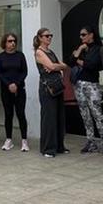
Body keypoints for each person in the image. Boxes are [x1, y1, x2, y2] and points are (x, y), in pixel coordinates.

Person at [72, 24, 103, 155]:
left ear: (91, 35)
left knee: (97, 114)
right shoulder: (82, 48)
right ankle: (91, 141)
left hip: (92, 84)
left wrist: (79, 60)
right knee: (85, 114)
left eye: (83, 34)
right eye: (80, 35)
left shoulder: (98, 49)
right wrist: (79, 52)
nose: (81, 37)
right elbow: (71, 60)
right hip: (79, 84)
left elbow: (92, 65)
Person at [34, 28, 68, 157]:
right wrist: (55, 66)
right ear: (40, 38)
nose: (49, 38)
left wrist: (56, 66)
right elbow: (54, 66)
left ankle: (59, 146)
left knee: (59, 116)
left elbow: (61, 66)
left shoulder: (50, 52)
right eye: (46, 36)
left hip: (57, 86)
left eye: (50, 35)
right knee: (49, 118)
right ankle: (48, 148)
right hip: (47, 88)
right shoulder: (39, 52)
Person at [0, 33, 29, 151]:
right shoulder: (0, 57)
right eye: (9, 41)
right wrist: (9, 84)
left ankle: (24, 140)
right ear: (5, 43)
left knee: (20, 114)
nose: (12, 43)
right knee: (8, 114)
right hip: (6, 89)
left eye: (14, 41)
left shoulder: (20, 55)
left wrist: (16, 84)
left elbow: (24, 72)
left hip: (19, 89)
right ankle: (8, 139)